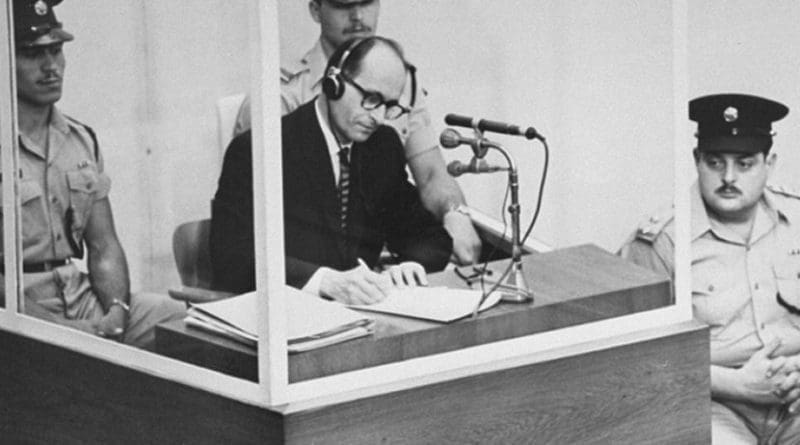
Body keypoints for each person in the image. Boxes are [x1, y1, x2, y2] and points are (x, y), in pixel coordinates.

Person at [233, 0, 482, 266]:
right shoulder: (278, 95)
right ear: (316, 10)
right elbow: (257, 228)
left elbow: (430, 175)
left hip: (380, 259)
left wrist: (455, 213)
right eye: (343, 5)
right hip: (306, 272)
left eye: (367, 2)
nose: (358, 17)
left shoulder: (399, 81)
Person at [211, 36, 452, 304]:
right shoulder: (261, 150)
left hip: (361, 319)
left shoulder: (381, 147)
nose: (379, 117)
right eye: (371, 99)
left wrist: (412, 265)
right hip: (288, 318)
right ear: (333, 83)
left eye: (390, 105)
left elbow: (428, 235)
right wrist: (325, 281)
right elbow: (231, 258)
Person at [620, 93, 800, 443]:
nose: (729, 177)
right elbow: (636, 359)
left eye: (745, 164)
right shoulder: (661, 242)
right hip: (714, 402)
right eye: (715, 163)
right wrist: (738, 385)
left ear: (770, 162)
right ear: (696, 160)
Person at [6, 0, 185, 350]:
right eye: (32, 54)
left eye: (56, 51)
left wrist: (116, 310)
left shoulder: (80, 139)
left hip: (78, 295)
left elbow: (103, 245)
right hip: (17, 307)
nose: (50, 66)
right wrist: (57, 329)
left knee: (178, 321)